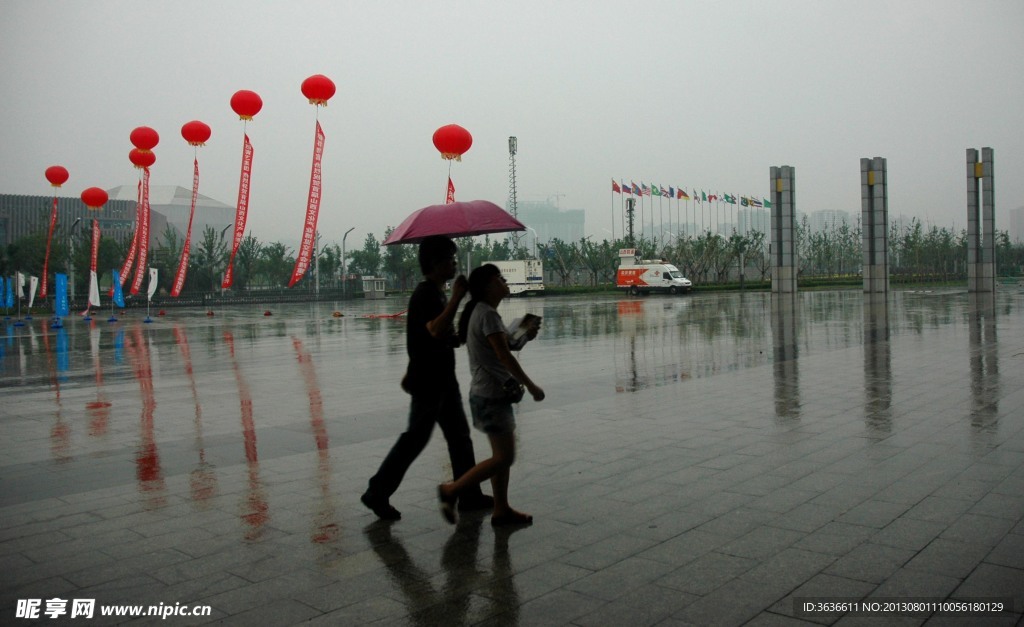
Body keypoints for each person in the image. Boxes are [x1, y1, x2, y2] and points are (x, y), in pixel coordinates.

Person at [361, 236, 492, 520]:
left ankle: (468, 494)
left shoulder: (436, 293)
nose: (455, 264)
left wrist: (461, 324)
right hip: (429, 382)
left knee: (459, 438)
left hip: (443, 379)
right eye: (450, 259)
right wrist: (457, 297)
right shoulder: (425, 294)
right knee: (415, 440)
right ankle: (377, 492)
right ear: (435, 263)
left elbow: (440, 335)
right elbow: (433, 330)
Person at [438, 264, 545, 526]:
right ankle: (451, 490)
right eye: (499, 277)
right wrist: (531, 386)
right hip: (491, 395)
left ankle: (501, 509)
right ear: (487, 285)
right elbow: (504, 355)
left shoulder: (482, 312)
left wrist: (525, 335)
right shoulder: (487, 314)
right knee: (504, 457)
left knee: (500, 456)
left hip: (486, 394)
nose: (504, 281)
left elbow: (506, 344)